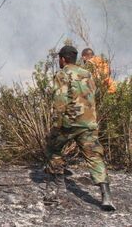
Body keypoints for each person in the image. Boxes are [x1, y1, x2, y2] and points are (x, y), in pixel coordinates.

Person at [43, 45, 115, 211]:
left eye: (59, 58)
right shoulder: (87, 74)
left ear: (63, 59)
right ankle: (106, 196)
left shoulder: (62, 74)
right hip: (88, 123)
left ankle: (56, 190)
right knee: (95, 156)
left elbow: (60, 101)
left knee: (53, 149)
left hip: (69, 122)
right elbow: (92, 95)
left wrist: (58, 125)